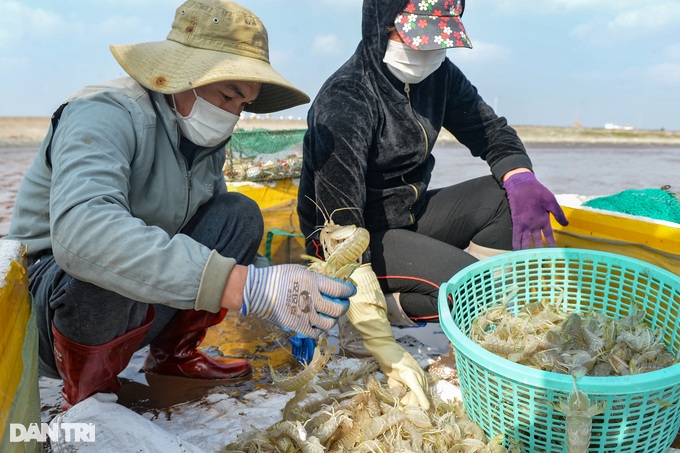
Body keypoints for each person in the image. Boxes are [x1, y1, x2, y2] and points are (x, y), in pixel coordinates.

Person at [5, 0, 355, 411]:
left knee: (238, 215)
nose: (232, 116)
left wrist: (280, 286)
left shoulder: (202, 140)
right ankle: (87, 390)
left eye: (242, 106)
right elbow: (84, 233)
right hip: (52, 305)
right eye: (228, 96)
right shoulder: (104, 112)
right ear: (181, 74)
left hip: (140, 301)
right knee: (104, 256)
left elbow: (216, 243)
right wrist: (246, 287)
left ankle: (175, 357)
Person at [297, 0, 568, 410]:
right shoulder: (347, 97)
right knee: (467, 282)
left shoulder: (441, 77)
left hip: (407, 214)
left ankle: (451, 324)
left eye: (437, 41)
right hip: (350, 233)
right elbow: (339, 225)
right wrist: (384, 346)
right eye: (415, 39)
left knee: (503, 199)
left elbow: (489, 130)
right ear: (380, 25)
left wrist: (520, 175)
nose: (426, 53)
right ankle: (366, 309)